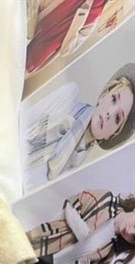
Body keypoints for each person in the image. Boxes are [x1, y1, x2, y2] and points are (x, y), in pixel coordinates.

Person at [24, 63, 135, 191]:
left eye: (117, 118)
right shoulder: (67, 97)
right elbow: (22, 121)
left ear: (113, 134)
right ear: (104, 95)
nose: (110, 113)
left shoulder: (82, 165)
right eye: (114, 99)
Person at [14, 189, 135, 264]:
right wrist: (81, 231)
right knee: (9, 256)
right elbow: (71, 203)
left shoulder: (108, 254)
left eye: (134, 238)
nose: (130, 232)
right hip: (44, 243)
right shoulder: (106, 200)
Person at [26, 0, 124, 76]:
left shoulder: (95, 12)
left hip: (34, 55)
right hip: (24, 26)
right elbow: (35, 4)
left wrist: (79, 19)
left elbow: (66, 49)